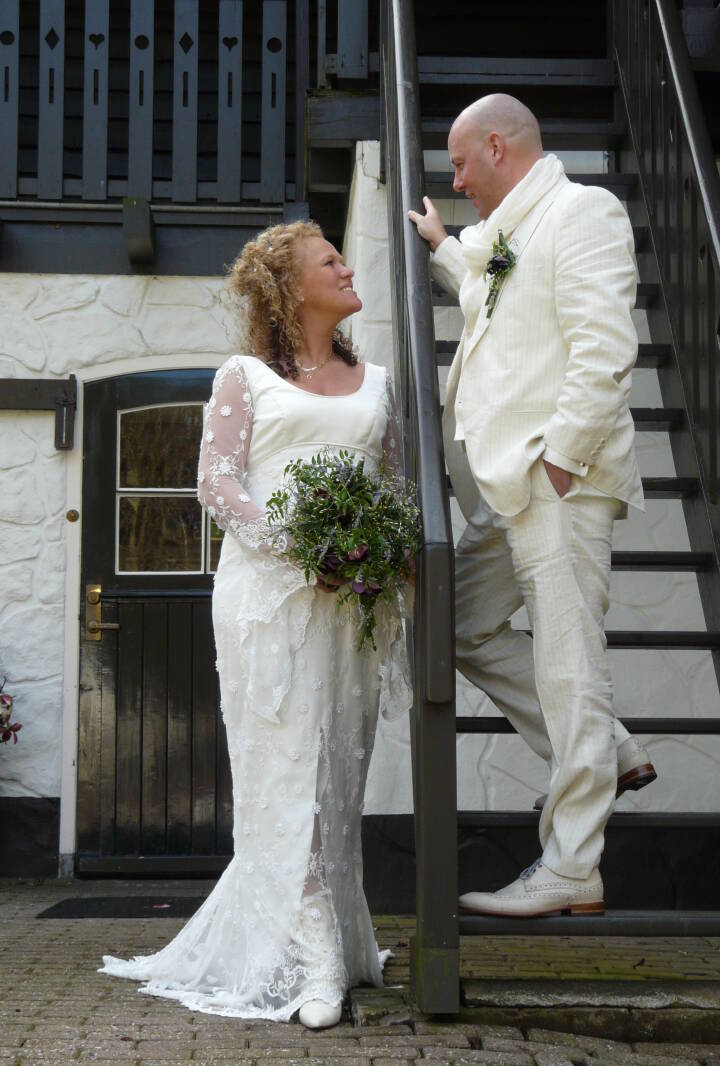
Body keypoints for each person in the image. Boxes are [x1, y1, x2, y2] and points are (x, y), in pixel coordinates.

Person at [100, 221, 410, 1026]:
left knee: (336, 768)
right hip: (267, 600)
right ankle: (314, 962)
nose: (347, 268)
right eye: (330, 261)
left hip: (349, 605)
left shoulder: (379, 382)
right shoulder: (245, 377)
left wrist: (375, 554)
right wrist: (303, 546)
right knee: (284, 767)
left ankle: (335, 932)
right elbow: (217, 483)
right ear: (289, 287)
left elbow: (393, 488)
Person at [409, 93, 656, 916]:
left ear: (495, 147)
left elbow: (604, 349)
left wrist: (561, 463)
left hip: (556, 482)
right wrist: (445, 248)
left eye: (458, 165)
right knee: (457, 624)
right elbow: (493, 296)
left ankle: (573, 862)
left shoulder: (584, 211)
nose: (455, 182)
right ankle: (607, 750)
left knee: (568, 664)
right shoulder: (512, 231)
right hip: (506, 489)